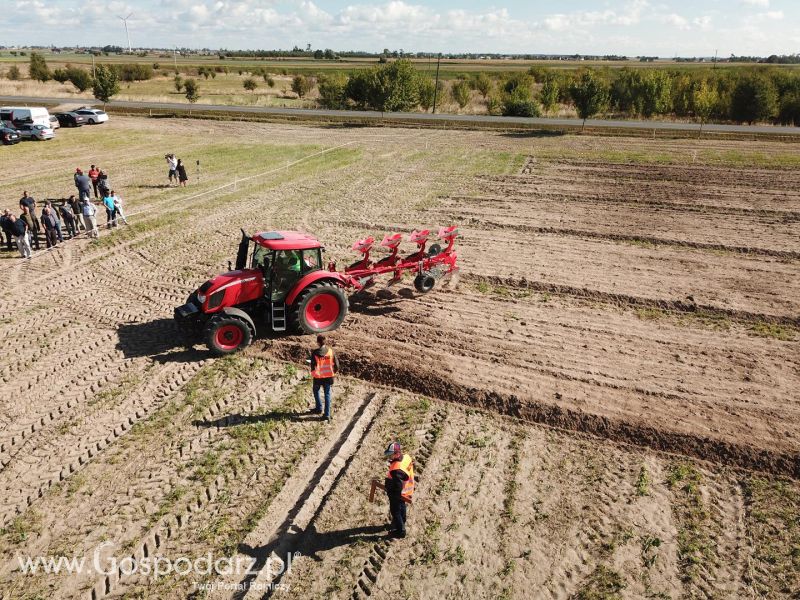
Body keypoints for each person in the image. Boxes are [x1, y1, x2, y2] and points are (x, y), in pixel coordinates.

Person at [384, 442, 415, 539]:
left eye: (391, 454)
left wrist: (391, 494)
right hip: (407, 490)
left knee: (395, 510)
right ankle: (403, 520)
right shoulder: (406, 457)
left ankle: (400, 531)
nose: (389, 456)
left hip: (399, 493)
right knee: (402, 506)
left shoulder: (396, 469)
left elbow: (398, 486)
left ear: (397, 453)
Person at [309, 334, 339, 422]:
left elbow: (312, 366)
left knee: (316, 391)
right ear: (325, 342)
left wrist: (313, 373)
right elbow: (337, 365)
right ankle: (327, 415)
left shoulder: (315, 353)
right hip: (328, 377)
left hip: (318, 377)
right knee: (327, 394)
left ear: (318, 342)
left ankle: (318, 408)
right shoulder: (331, 351)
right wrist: (333, 372)